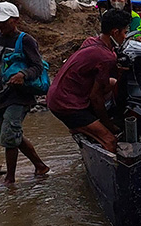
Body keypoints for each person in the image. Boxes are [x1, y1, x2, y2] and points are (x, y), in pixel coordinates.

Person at [0, 1, 50, 184]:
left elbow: (37, 66)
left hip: (19, 95)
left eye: (4, 22)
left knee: (9, 135)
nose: (1, 25)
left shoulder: (26, 40)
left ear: (15, 20)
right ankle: (40, 166)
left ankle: (10, 179)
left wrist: (23, 74)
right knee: (10, 135)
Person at [46, 8, 131, 152]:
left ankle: (81, 128)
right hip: (66, 104)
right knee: (111, 141)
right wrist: (108, 125)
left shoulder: (91, 41)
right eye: (125, 32)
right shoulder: (105, 57)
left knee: (113, 83)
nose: (126, 36)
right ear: (115, 32)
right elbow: (96, 97)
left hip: (55, 94)